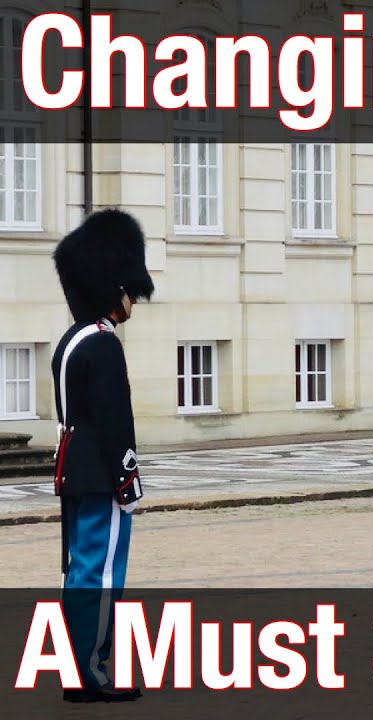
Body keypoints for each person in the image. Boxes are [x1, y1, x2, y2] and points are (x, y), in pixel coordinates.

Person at [51, 209, 153, 703]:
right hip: (102, 476)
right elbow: (115, 422)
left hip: (74, 472)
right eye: (130, 290)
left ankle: (78, 668)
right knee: (102, 572)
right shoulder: (104, 345)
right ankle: (90, 672)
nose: (134, 299)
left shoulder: (72, 341)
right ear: (114, 287)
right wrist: (128, 480)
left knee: (81, 569)